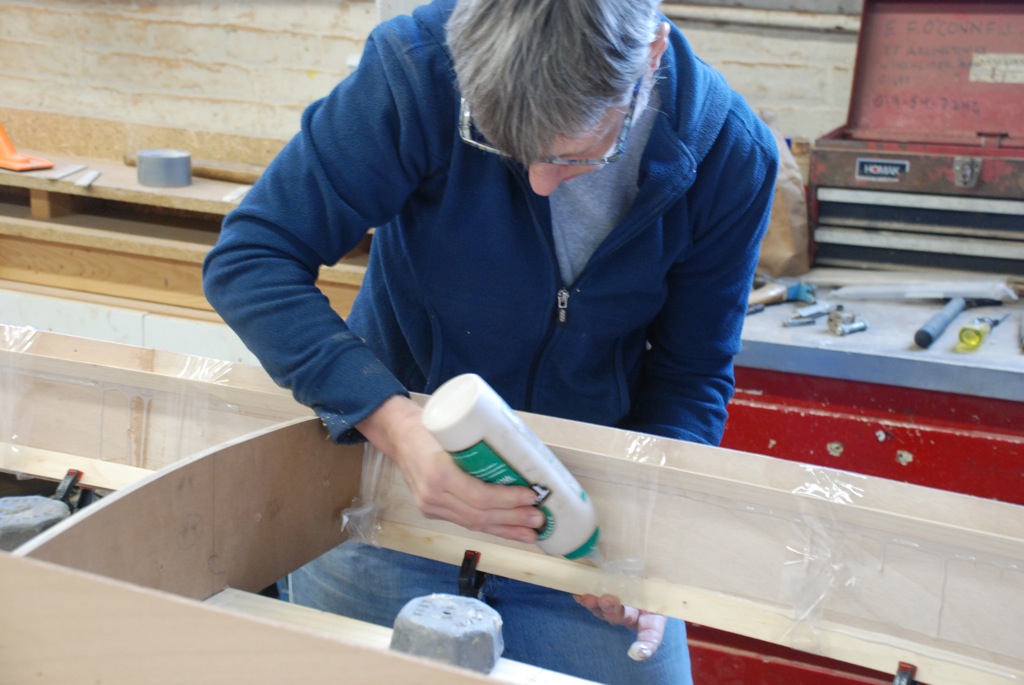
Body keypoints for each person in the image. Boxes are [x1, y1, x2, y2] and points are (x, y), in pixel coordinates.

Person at [203, 0, 778, 682]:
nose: (539, 181)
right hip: (385, 503)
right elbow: (253, 259)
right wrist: (399, 430)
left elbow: (691, 374)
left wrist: (643, 535)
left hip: (582, 537)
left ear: (650, 59)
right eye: (503, 144)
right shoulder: (418, 68)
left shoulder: (730, 155)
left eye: (571, 156)